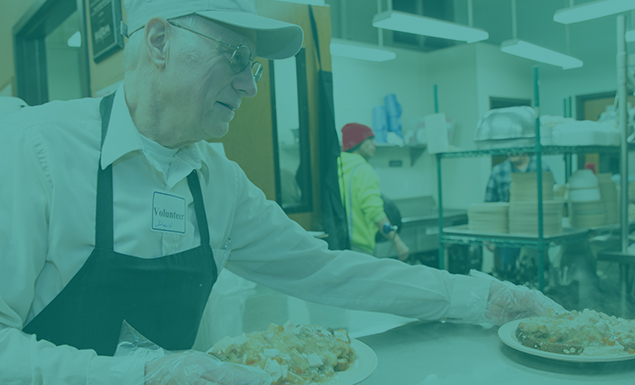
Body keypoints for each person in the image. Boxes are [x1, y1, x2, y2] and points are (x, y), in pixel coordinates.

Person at [0, 1, 564, 384]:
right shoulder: (39, 151)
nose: (248, 85)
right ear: (159, 39)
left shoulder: (216, 180)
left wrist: (479, 296)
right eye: (236, 58)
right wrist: (144, 374)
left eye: (256, 68)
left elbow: (327, 270)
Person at [337, 123, 410, 261]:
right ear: (356, 143)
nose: (374, 144)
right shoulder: (363, 170)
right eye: (369, 140)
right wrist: (397, 241)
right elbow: (374, 211)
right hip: (359, 248)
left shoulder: (336, 167)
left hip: (337, 245)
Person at [484, 154, 550, 278]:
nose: (513, 152)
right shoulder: (498, 171)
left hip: (535, 233)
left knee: (537, 275)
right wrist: (488, 235)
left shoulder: (542, 167)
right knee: (508, 277)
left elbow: (551, 200)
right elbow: (489, 205)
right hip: (508, 235)